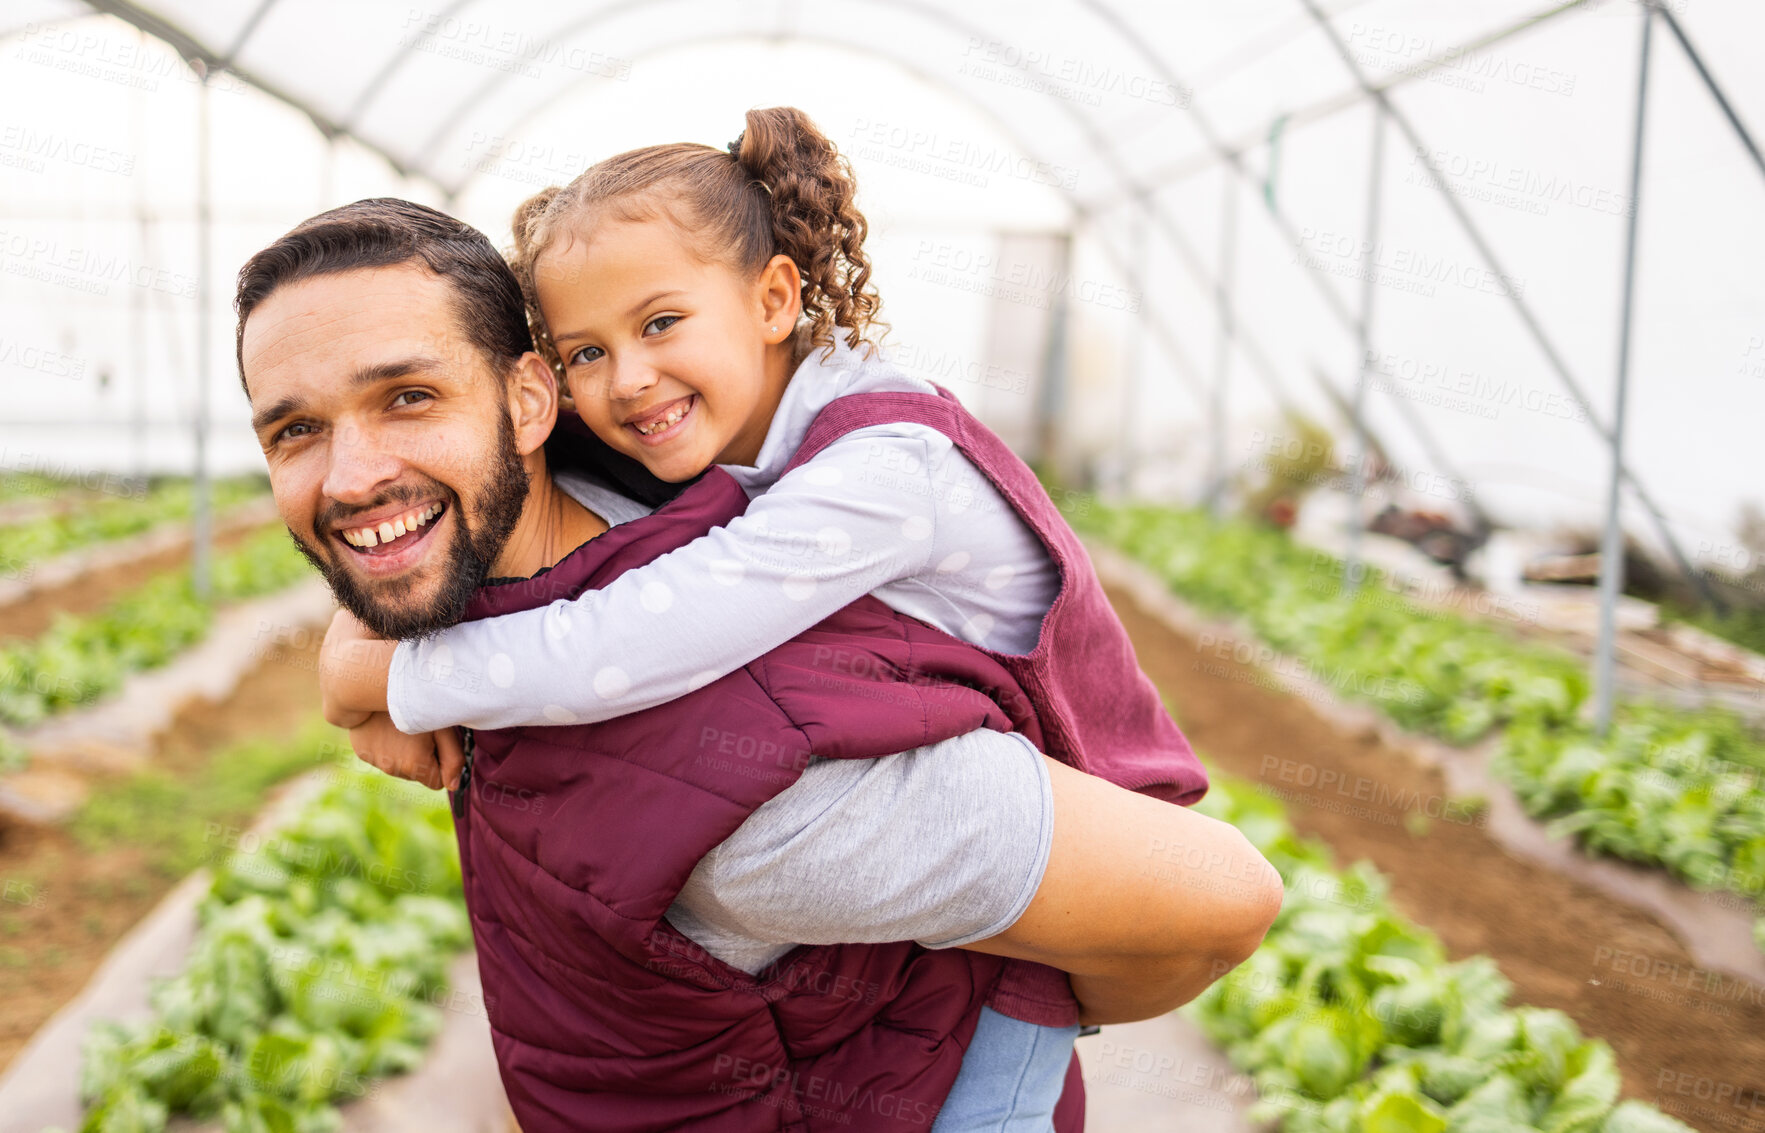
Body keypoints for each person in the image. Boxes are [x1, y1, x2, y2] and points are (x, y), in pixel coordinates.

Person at [240, 196, 1281, 1130]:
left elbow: (1223, 897)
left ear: (525, 405)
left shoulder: (762, 791)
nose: (352, 475)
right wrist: (361, 654)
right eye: (295, 429)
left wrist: (1032, 987)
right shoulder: (628, 476)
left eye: (407, 397)